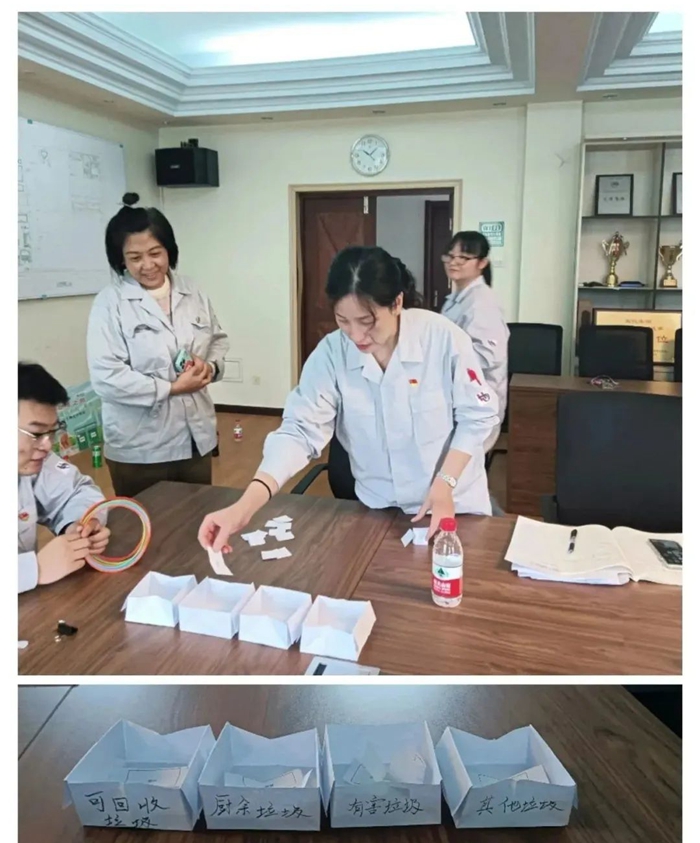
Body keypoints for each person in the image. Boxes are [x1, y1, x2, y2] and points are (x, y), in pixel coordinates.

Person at [198, 246, 500, 553]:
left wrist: (445, 482)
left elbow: (478, 416)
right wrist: (244, 506)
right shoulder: (333, 353)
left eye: (367, 321)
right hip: (378, 509)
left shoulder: (442, 338)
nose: (355, 336)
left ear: (397, 303)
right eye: (343, 320)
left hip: (454, 506)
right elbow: (300, 431)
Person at [87, 193, 229, 498]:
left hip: (195, 438)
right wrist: (172, 388)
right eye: (135, 258)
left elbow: (217, 340)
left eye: (155, 253)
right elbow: (106, 377)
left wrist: (209, 367)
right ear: (121, 260)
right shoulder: (110, 303)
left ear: (169, 250)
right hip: (140, 448)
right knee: (145, 523)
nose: (148, 265)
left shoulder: (192, 291)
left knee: (198, 517)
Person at [18, 363, 110, 594]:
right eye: (36, 433)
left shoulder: (34, 460)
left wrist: (79, 525)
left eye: (51, 432)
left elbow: (77, 491)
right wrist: (33, 570)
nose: (47, 445)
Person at [440, 231, 509, 451]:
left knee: (462, 466)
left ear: (482, 263)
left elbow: (488, 356)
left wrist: (443, 362)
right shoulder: (457, 298)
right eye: (450, 256)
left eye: (463, 257)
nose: (454, 262)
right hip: (458, 397)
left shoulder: (482, 302)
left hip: (476, 403)